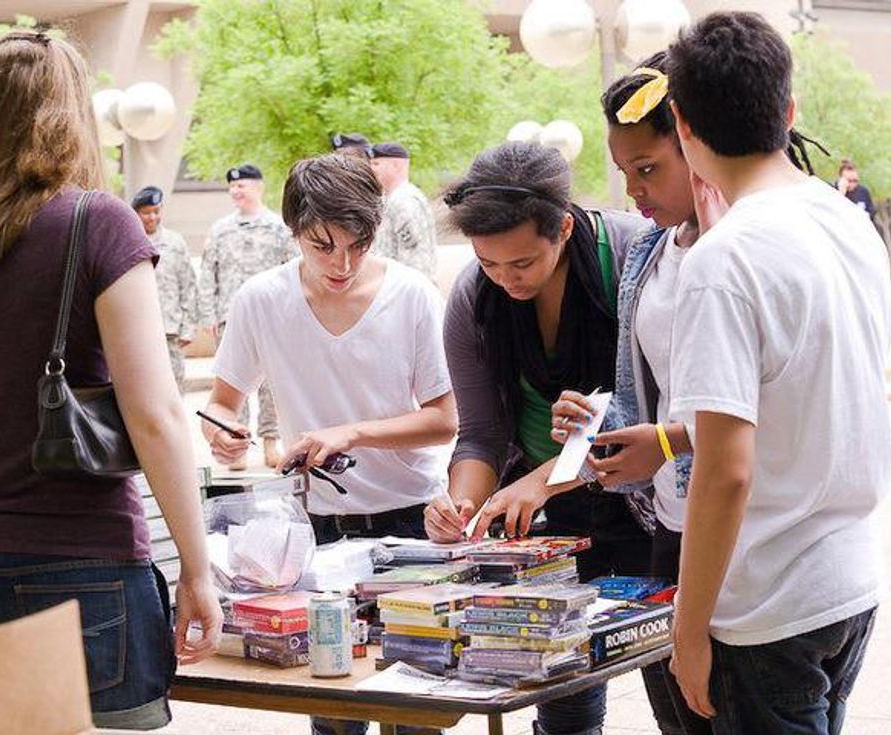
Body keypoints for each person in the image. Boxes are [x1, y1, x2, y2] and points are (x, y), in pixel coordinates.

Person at [0, 31, 220, 729]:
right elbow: (156, 416)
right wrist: (198, 572)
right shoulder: (98, 223)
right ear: (74, 113)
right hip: (84, 566)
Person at [664, 12, 890, 733]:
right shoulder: (849, 222)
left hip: (769, 610)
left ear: (682, 124)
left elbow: (728, 469)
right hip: (848, 580)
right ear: (789, 110)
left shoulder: (723, 261)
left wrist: (688, 630)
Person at [200, 153, 456, 735]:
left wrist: (351, 432)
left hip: (410, 525)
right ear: (293, 230)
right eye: (322, 246)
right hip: (314, 532)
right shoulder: (261, 299)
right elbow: (221, 402)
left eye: (357, 246)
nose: (341, 263)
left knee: (416, 712)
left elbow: (445, 420)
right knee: (333, 711)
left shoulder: (412, 295)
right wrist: (220, 432)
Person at [424, 140, 653, 735]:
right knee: (564, 695)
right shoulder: (474, 298)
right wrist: (463, 503)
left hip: (657, 507)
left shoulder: (631, 255)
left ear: (564, 227)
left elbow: (665, 412)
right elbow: (480, 435)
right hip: (554, 520)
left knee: (682, 685)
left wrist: (542, 481)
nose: (506, 279)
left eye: (522, 263)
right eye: (489, 263)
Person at [551, 54, 713, 735]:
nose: (635, 190)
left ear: (697, 143)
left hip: (748, 530)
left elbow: (773, 408)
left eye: (648, 168)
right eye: (623, 173)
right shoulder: (649, 254)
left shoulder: (748, 249)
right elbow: (652, 398)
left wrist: (669, 440)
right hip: (670, 523)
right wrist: (603, 422)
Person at [197, 163, 296, 468]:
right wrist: (208, 314)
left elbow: (292, 271)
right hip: (229, 317)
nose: (235, 191)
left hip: (272, 317)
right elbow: (208, 273)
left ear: (258, 187)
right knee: (230, 381)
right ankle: (235, 445)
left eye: (242, 186)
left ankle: (270, 440)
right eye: (232, 186)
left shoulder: (279, 227)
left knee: (270, 383)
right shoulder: (221, 229)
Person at [131, 185, 198, 392]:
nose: (152, 217)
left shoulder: (174, 242)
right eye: (146, 212)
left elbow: (188, 285)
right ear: (136, 213)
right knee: (142, 390)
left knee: (174, 390)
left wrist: (188, 327)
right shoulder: (129, 242)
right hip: (138, 330)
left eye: (156, 211)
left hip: (170, 330)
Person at [370, 142, 438, 280]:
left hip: (406, 291)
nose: (371, 169)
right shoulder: (388, 199)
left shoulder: (405, 201)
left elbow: (414, 257)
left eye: (376, 164)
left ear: (396, 165)